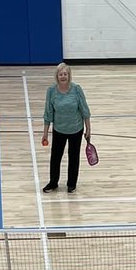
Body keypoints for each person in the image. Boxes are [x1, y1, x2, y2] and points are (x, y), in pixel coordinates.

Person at [41, 62, 91, 193]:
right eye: (60, 74)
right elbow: (48, 113)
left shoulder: (76, 89)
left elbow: (85, 110)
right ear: (57, 76)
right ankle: (53, 182)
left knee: (73, 157)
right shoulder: (51, 91)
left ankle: (71, 184)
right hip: (59, 130)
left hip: (76, 129)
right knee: (55, 157)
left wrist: (88, 129)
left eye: (65, 74)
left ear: (69, 75)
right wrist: (45, 133)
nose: (63, 76)